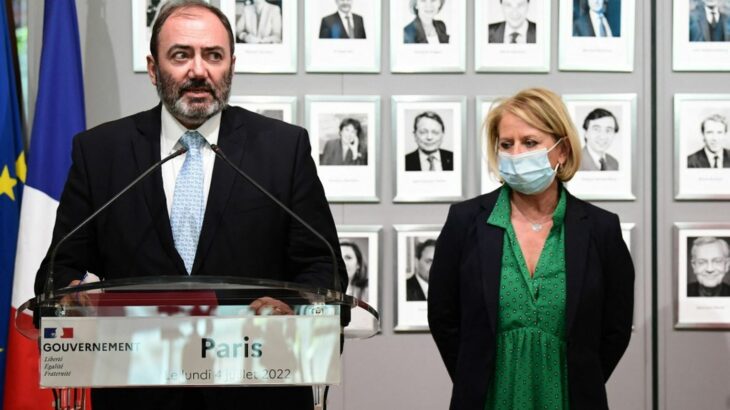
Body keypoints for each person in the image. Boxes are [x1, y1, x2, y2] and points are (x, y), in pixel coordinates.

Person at [33, 1, 346, 409]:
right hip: (138, 395)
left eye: (213, 56)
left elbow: (324, 270)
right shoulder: (100, 153)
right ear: (152, 68)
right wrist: (71, 296)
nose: (198, 70)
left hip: (259, 393)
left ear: (230, 66)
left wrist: (294, 309)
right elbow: (57, 272)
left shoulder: (282, 149)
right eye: (181, 55)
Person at [428, 88, 634, 409]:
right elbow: (443, 317)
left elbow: (616, 328)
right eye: (506, 145)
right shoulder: (465, 222)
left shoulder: (600, 228)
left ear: (562, 150)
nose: (517, 154)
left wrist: (579, 380)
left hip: (569, 397)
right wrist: (475, 376)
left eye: (530, 142)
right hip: (488, 398)